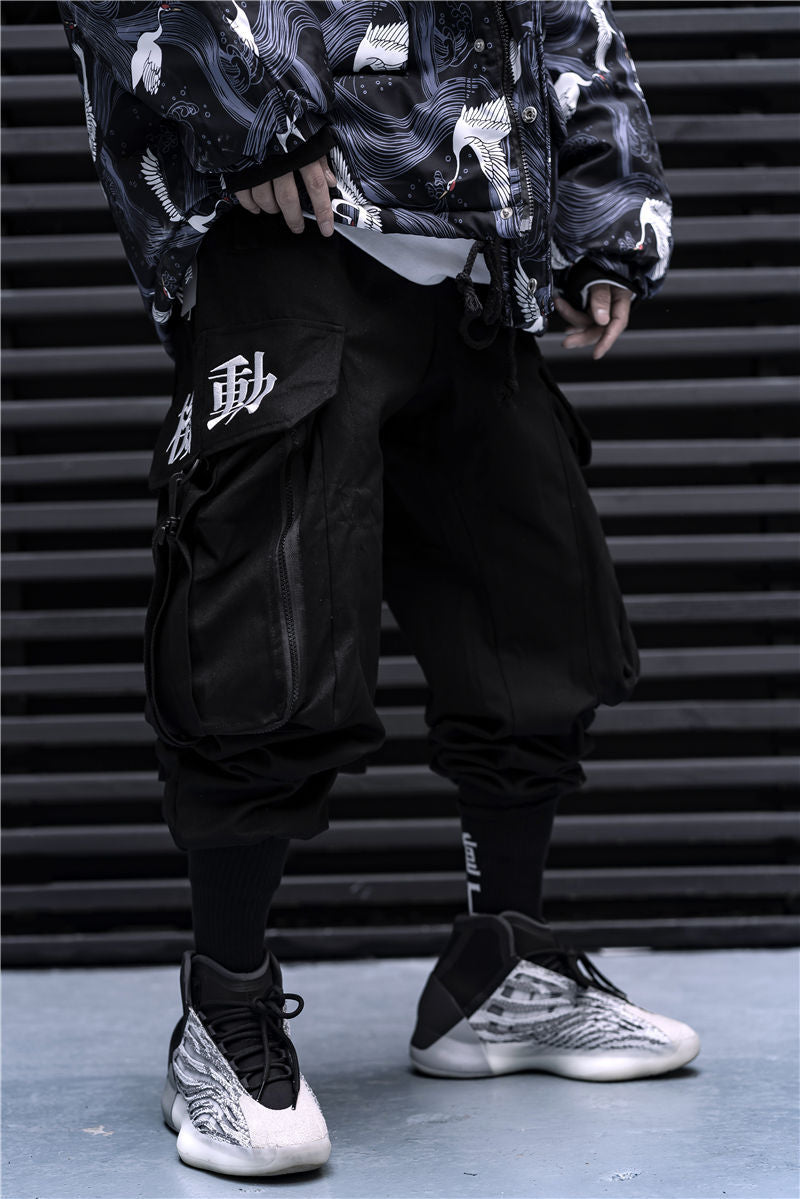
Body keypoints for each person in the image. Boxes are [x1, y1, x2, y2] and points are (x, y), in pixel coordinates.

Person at [60, 0, 698, 1179]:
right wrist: (248, 118)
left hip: (472, 259)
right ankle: (223, 1006)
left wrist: (603, 217)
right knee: (266, 628)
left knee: (535, 617)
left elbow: (566, 11)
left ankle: (496, 968)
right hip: (288, 235)